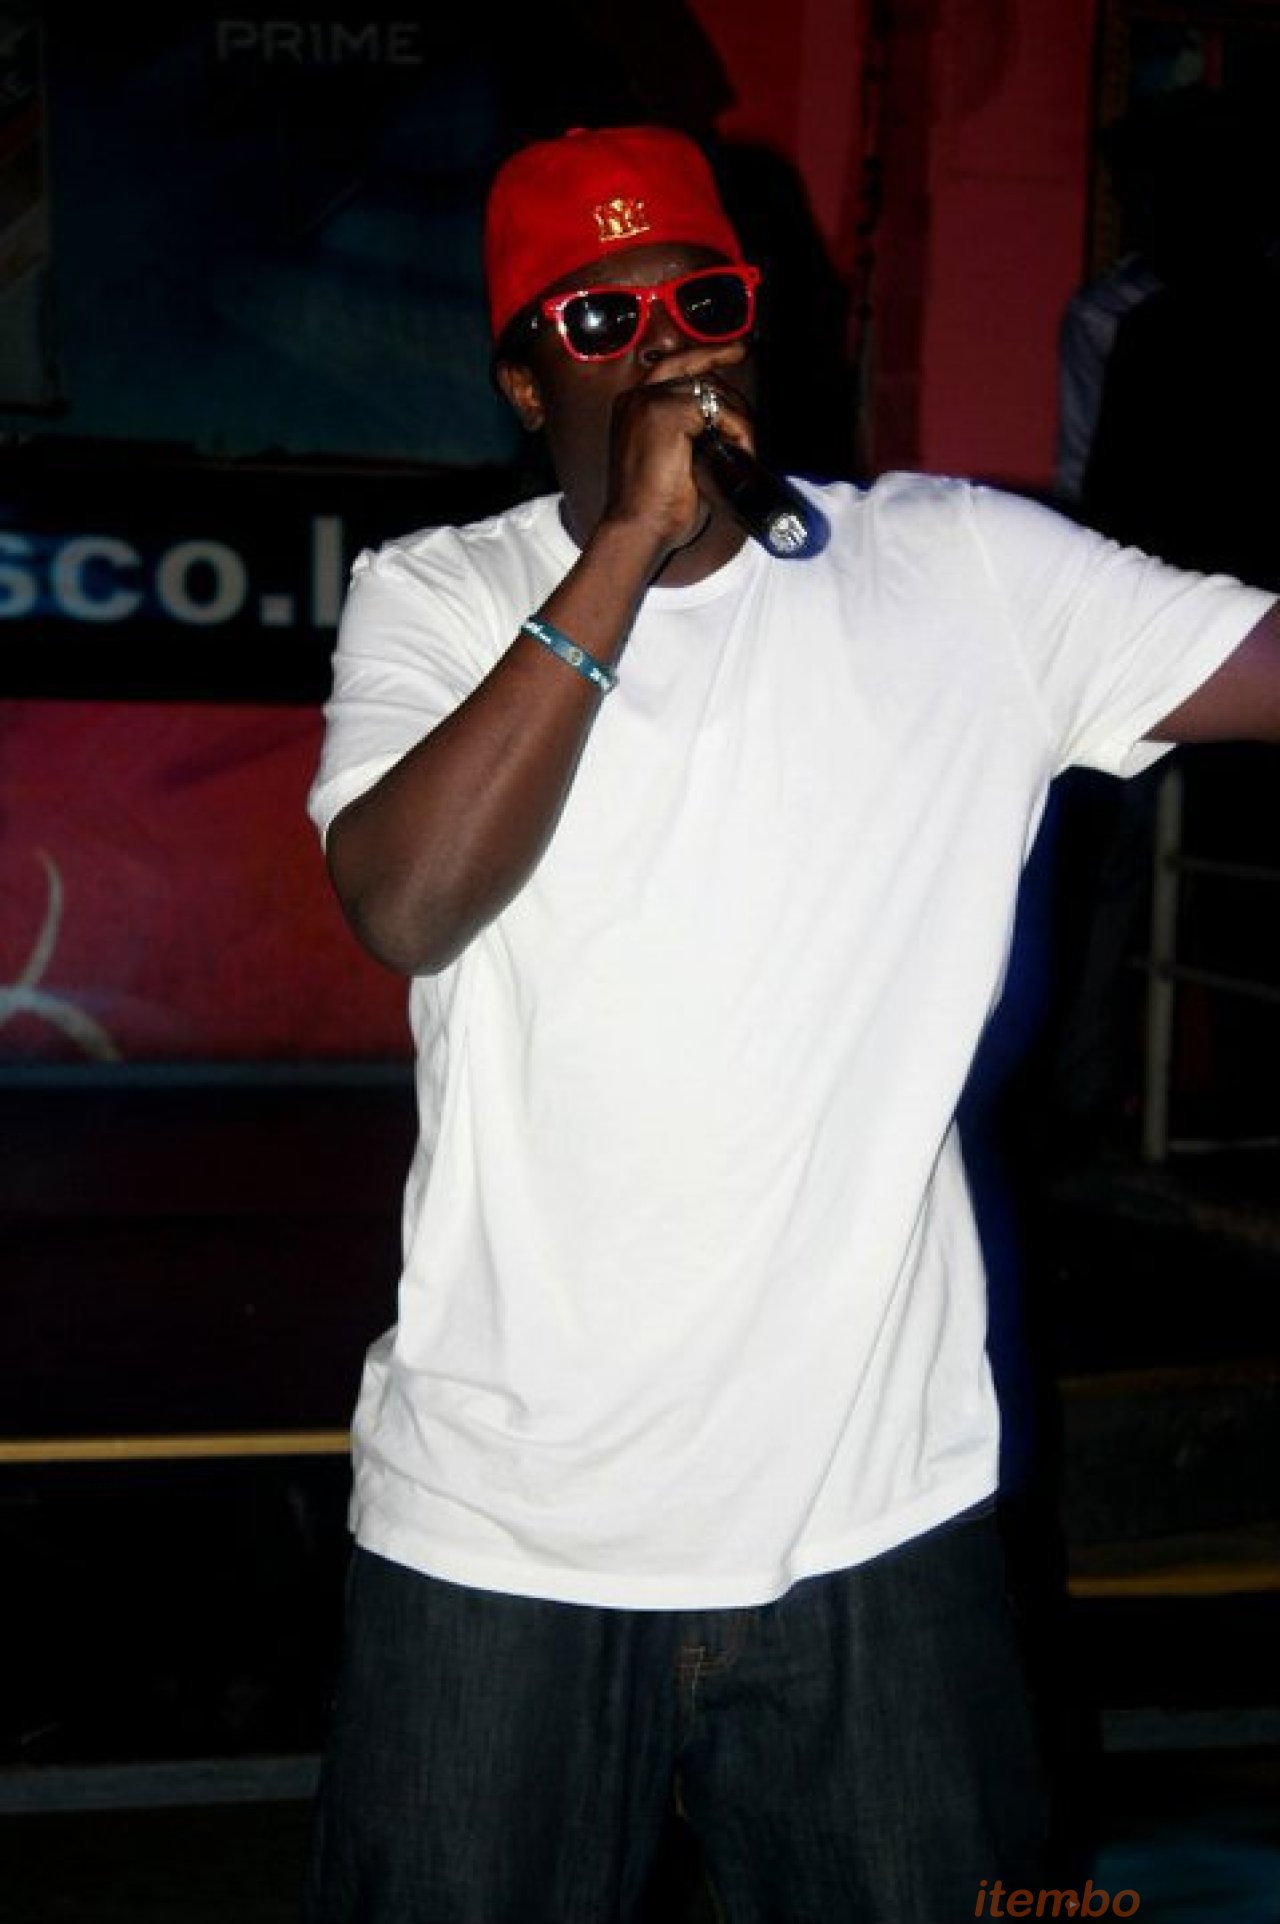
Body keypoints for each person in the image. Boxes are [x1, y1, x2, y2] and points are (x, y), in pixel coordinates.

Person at [301, 123, 1280, 1924]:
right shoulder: (438, 597)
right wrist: (624, 554)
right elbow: (408, 901)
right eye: (601, 321)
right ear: (524, 379)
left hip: (873, 1528)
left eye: (705, 301)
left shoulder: (964, 575)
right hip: (500, 1534)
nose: (669, 347)